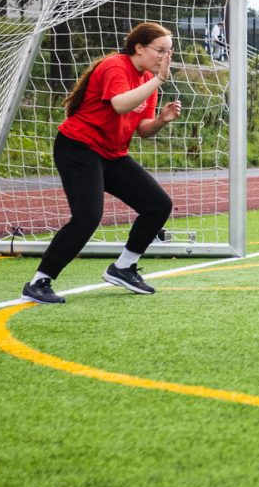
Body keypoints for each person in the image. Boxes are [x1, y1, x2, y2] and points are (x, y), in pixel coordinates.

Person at [20, 21, 183, 305]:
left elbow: (142, 129)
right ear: (139, 47)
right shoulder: (116, 66)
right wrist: (159, 80)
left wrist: (160, 121)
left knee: (158, 205)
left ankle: (123, 267)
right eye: (160, 51)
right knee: (88, 217)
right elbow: (120, 104)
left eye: (169, 52)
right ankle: (39, 282)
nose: (165, 58)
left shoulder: (149, 79)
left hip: (112, 154)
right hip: (78, 148)